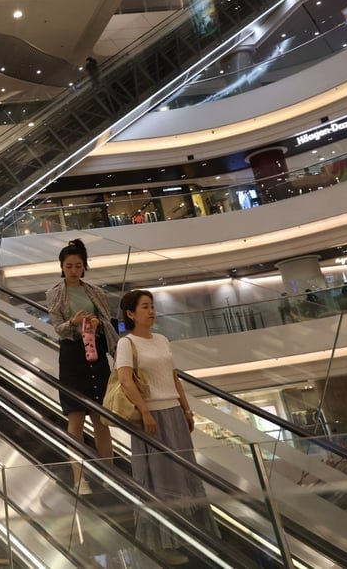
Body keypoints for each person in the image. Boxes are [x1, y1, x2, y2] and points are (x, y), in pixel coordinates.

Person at [115, 289, 219, 565]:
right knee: (160, 480)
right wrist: (145, 411)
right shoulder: (127, 343)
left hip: (173, 413)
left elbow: (173, 377)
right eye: (145, 307)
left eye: (152, 306)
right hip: (152, 419)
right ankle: (162, 543)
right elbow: (125, 380)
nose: (151, 311)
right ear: (130, 313)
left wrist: (186, 408)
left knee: (184, 475)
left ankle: (188, 535)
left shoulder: (161, 339)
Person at [46, 238, 118, 493]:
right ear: (62, 267)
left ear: (84, 266)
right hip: (72, 354)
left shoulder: (95, 291)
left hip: (96, 351)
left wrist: (97, 323)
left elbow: (107, 320)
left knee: (101, 417)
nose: (73, 270)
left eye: (77, 266)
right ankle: (79, 477)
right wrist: (74, 323)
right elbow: (57, 327)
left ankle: (108, 476)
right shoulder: (55, 293)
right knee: (75, 416)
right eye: (68, 266)